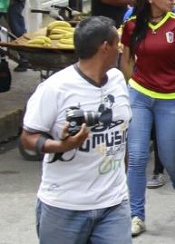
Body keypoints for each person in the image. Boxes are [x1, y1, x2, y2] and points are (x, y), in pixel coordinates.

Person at [20, 16, 131, 243]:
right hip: (64, 206)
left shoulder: (118, 80)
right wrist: (61, 145)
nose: (120, 48)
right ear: (105, 47)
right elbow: (28, 137)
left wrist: (121, 178)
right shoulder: (55, 88)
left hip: (113, 203)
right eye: (116, 42)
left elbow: (122, 132)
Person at [120, 0, 175, 237]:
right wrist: (126, 89)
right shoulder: (131, 25)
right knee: (137, 157)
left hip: (171, 97)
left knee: (169, 156)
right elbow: (126, 61)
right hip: (139, 95)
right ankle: (136, 215)